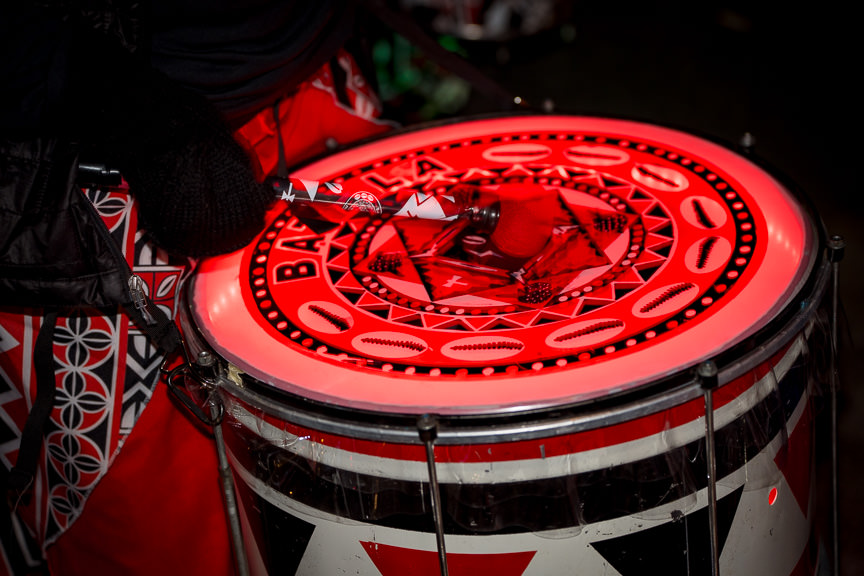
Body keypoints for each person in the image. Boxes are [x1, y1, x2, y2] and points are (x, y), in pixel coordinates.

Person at [0, 1, 393, 574]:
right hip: (102, 204)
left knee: (375, 514)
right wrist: (132, 109)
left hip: (317, 100)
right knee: (165, 550)